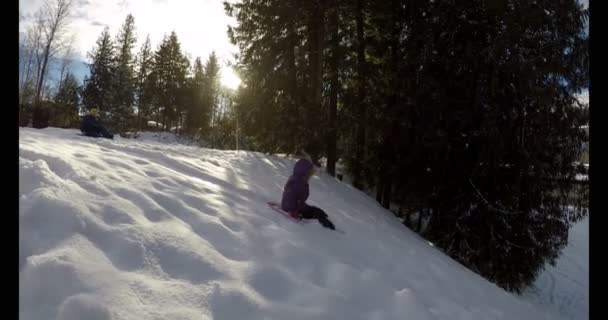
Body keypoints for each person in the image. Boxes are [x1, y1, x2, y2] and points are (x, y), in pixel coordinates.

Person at [281, 158, 336, 230]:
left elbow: (298, 198)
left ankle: (325, 219)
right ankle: (328, 229)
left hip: (298, 206)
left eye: (311, 173)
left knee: (318, 211)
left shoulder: (300, 181)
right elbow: (289, 196)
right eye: (309, 173)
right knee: (318, 214)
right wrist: (293, 211)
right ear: (303, 172)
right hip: (294, 208)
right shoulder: (296, 183)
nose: (310, 175)